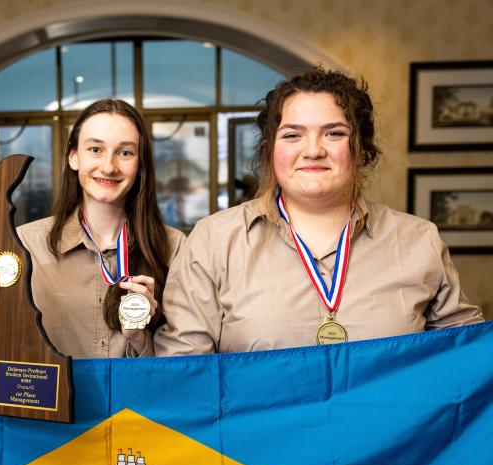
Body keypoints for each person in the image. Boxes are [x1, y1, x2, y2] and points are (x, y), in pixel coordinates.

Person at [155, 66, 483, 355]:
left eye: (334, 133)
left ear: (361, 150)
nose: (313, 150)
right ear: (270, 151)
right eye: (293, 135)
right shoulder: (214, 241)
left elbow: (467, 360)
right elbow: (184, 375)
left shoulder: (419, 241)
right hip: (259, 428)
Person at [0, 99, 184, 357]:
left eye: (125, 152)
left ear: (140, 166)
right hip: (53, 397)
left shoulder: (175, 249)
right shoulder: (24, 247)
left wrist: (139, 338)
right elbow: (0, 360)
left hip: (135, 397)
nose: (108, 166)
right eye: (95, 149)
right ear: (73, 157)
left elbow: (180, 370)